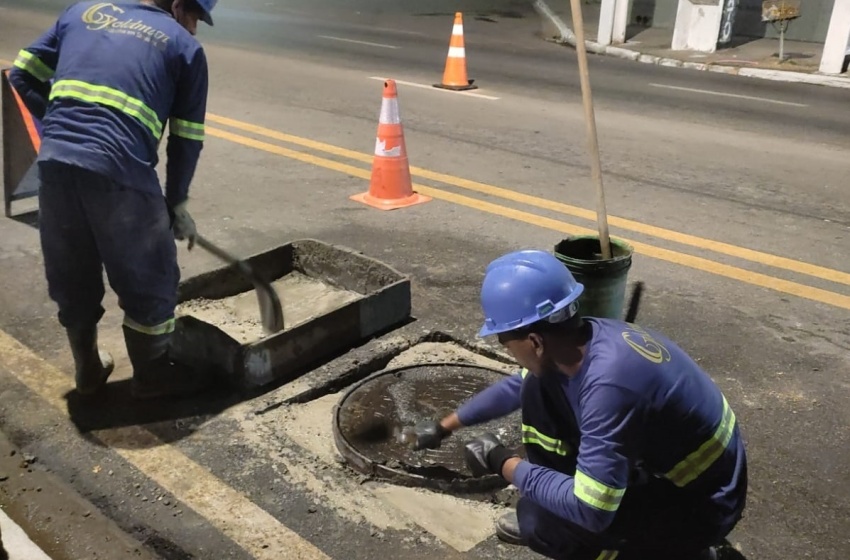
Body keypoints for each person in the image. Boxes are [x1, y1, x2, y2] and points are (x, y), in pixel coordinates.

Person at [402, 249, 747, 560]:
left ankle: (676, 553)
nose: (508, 351)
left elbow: (592, 509)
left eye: (505, 342)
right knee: (536, 392)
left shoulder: (610, 386)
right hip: (675, 475)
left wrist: (503, 463)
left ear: (534, 341)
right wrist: (446, 425)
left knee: (540, 522)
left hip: (702, 506)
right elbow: (514, 388)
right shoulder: (583, 341)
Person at [8, 0, 218, 399]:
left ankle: (87, 368)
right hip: (119, 170)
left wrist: (57, 126)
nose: (193, 28)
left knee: (73, 272)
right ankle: (152, 376)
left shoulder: (82, 11)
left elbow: (22, 75)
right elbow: (186, 139)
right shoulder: (185, 48)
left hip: (55, 166)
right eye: (194, 16)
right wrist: (176, 204)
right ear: (176, 5)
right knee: (151, 275)